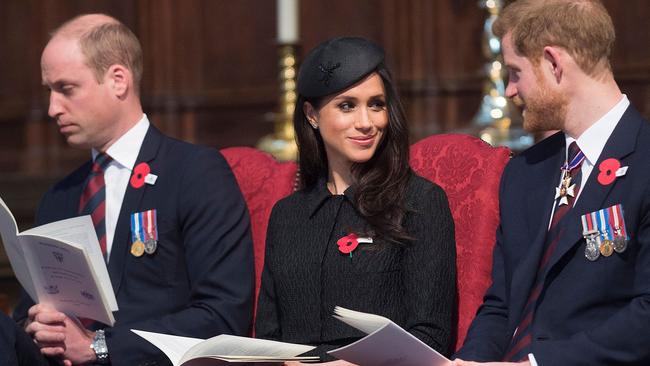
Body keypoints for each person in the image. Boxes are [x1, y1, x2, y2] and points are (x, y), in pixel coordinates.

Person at [11, 14, 254, 365]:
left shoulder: (194, 173)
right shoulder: (59, 197)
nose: (52, 108)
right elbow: (27, 313)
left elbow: (223, 314)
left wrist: (101, 347)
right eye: (49, 91)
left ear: (118, 80)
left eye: (66, 89)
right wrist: (37, 324)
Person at [453, 0, 650, 365]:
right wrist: (471, 361)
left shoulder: (644, 163)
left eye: (515, 72)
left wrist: (536, 364)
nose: (510, 91)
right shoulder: (525, 172)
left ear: (553, 63)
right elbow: (502, 304)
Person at [255, 37, 457, 364]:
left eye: (376, 104)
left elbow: (431, 336)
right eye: (347, 106)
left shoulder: (420, 201)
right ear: (312, 115)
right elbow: (267, 339)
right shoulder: (287, 214)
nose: (366, 122)